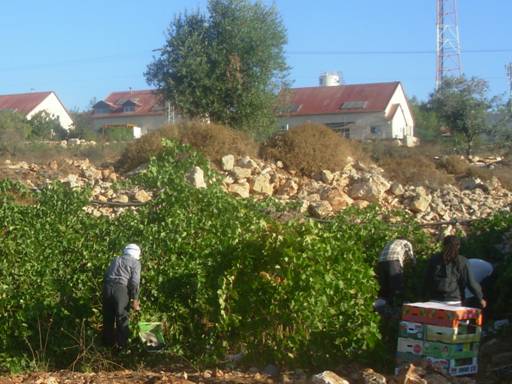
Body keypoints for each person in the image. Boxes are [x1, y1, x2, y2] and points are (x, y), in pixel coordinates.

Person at [423, 235, 486, 308]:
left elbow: (427, 280)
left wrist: (423, 298)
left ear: (443, 245)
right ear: (458, 246)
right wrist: (480, 298)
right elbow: (470, 282)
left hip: (434, 300)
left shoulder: (434, 259)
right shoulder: (462, 261)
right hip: (454, 301)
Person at [102, 243, 142, 348]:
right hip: (121, 290)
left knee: (108, 319)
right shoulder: (135, 263)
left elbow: (106, 275)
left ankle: (107, 347)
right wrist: (135, 299)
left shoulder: (116, 259)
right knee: (122, 319)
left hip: (107, 288)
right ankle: (122, 349)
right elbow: (134, 282)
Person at [375, 239, 415, 312]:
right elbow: (411, 257)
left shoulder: (391, 242)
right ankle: (396, 309)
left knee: (384, 287)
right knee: (396, 286)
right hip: (393, 261)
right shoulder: (407, 242)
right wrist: (413, 265)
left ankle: (380, 309)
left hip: (381, 263)